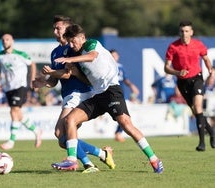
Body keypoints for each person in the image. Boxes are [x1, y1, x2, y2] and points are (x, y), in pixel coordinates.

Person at [52, 24, 164, 174]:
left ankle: (154, 159)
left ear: (82, 37)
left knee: (126, 125)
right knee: (69, 120)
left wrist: (69, 59)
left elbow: (92, 56)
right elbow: (87, 81)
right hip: (98, 95)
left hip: (112, 91)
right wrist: (73, 72)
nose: (72, 45)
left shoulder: (91, 44)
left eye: (74, 41)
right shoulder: (75, 54)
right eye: (70, 42)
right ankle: (72, 161)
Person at [33, 15, 115, 173]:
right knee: (64, 138)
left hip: (80, 93)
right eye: (54, 29)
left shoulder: (73, 49)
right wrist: (44, 81)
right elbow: (55, 81)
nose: (55, 31)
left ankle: (84, 163)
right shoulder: (55, 52)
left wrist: (53, 72)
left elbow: (68, 74)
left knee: (60, 132)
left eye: (59, 28)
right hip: (68, 95)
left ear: (67, 28)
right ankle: (100, 155)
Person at [164, 20, 215, 151]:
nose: (184, 34)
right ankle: (212, 132)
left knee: (198, 107)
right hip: (182, 82)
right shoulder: (173, 47)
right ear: (179, 32)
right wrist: (177, 72)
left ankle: (202, 143)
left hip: (196, 78)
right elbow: (166, 68)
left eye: (187, 31)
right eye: (182, 31)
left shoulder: (198, 45)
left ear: (191, 32)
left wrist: (210, 70)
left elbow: (206, 59)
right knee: (196, 111)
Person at [0, 33, 42, 150]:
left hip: (20, 86)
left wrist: (32, 79)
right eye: (3, 40)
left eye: (7, 39)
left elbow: (32, 64)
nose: (5, 41)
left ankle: (11, 141)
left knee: (14, 110)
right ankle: (37, 131)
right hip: (8, 87)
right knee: (17, 114)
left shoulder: (20, 54)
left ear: (12, 41)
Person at [109, 49, 140, 143]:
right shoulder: (107, 66)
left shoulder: (121, 67)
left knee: (124, 115)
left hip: (120, 95)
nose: (114, 58)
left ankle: (118, 133)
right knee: (123, 115)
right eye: (112, 56)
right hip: (109, 94)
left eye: (115, 56)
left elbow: (125, 80)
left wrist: (132, 86)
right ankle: (118, 132)